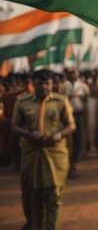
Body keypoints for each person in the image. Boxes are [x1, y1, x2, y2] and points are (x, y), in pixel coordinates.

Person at [11, 69, 76, 230]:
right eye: (39, 83)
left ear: (52, 83)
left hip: (54, 154)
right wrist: (28, 133)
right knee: (30, 195)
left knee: (54, 196)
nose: (43, 87)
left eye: (47, 83)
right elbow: (14, 125)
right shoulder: (22, 102)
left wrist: (58, 135)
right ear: (33, 83)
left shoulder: (61, 101)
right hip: (31, 153)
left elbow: (71, 125)